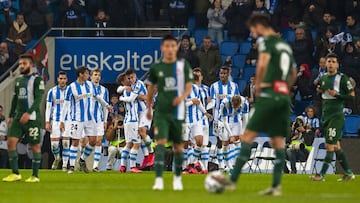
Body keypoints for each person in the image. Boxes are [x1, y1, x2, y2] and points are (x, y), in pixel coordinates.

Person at [223, 14, 297, 196]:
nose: (254, 35)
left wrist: (258, 89)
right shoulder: (284, 45)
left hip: (269, 94)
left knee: (247, 136)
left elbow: (262, 66)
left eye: (254, 30)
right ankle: (276, 186)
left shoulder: (266, 43)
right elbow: (294, 72)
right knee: (278, 141)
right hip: (283, 96)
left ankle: (232, 182)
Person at [146, 35, 193, 191]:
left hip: (178, 112)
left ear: (177, 47)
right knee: (160, 144)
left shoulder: (183, 65)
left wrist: (181, 97)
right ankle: (159, 179)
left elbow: (189, 86)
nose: (170, 49)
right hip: (161, 113)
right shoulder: (156, 67)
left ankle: (177, 178)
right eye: (167, 46)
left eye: (173, 46)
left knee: (178, 146)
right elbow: (151, 88)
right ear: (162, 48)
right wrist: (148, 107)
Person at [311, 53, 355, 181]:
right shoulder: (323, 77)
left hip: (336, 116)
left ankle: (321, 175)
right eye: (328, 61)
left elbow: (352, 96)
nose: (330, 63)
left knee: (329, 145)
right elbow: (321, 89)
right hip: (326, 115)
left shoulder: (342, 78)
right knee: (336, 146)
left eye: (333, 61)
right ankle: (349, 173)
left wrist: (337, 95)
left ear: (337, 64)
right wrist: (320, 90)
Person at [59, 66, 111, 174]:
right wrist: (62, 120)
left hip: (90, 118)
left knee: (93, 141)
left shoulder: (90, 85)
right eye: (87, 74)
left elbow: (97, 97)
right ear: (81, 75)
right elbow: (66, 104)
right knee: (75, 141)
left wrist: (106, 105)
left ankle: (82, 159)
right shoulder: (72, 87)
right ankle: (72, 166)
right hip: (77, 119)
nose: (88, 76)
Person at [2, 54, 45, 182]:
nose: (21, 66)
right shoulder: (18, 80)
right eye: (20, 64)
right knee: (10, 142)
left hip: (32, 118)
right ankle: (16, 173)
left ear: (31, 65)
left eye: (24, 64)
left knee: (34, 146)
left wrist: (29, 113)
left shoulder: (37, 80)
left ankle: (35, 175)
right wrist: (10, 115)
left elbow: (38, 99)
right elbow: (15, 99)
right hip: (18, 117)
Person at [208, 66, 239, 170]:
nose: (222, 76)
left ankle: (229, 163)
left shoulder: (234, 86)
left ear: (228, 74)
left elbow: (237, 101)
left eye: (224, 74)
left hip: (231, 119)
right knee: (219, 141)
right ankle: (221, 165)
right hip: (218, 119)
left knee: (230, 141)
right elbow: (212, 101)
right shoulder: (214, 86)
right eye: (221, 74)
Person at [182, 73, 212, 174]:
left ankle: (192, 164)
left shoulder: (195, 88)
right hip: (185, 121)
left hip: (196, 120)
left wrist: (205, 112)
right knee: (185, 145)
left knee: (199, 142)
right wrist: (191, 102)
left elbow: (198, 102)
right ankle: (185, 167)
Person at [45, 71, 71, 171]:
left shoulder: (70, 90)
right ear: (57, 79)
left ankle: (64, 165)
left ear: (67, 80)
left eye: (64, 79)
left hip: (67, 120)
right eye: (61, 78)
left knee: (65, 143)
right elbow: (48, 107)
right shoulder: (52, 91)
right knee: (54, 145)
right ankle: (57, 158)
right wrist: (47, 121)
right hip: (55, 120)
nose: (62, 80)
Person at [217, 95, 248, 172]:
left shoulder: (245, 103)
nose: (236, 108)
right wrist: (231, 135)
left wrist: (242, 132)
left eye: (237, 107)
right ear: (231, 103)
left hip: (236, 120)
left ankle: (233, 165)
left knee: (236, 141)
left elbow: (245, 118)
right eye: (234, 107)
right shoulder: (224, 104)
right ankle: (228, 165)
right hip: (224, 121)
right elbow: (224, 121)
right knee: (225, 143)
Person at [89, 69, 109, 172]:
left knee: (98, 141)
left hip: (99, 119)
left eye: (98, 75)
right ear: (90, 76)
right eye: (95, 75)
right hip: (87, 119)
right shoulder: (86, 88)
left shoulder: (104, 90)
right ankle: (82, 160)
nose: (97, 77)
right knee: (85, 142)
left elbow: (106, 107)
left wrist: (105, 120)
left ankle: (95, 165)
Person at [193, 68, 211, 173]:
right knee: (192, 144)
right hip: (193, 120)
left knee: (203, 145)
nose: (196, 78)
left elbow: (210, 101)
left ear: (202, 77)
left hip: (204, 120)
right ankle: (189, 166)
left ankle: (205, 169)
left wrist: (209, 108)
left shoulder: (206, 89)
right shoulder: (189, 89)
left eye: (198, 76)